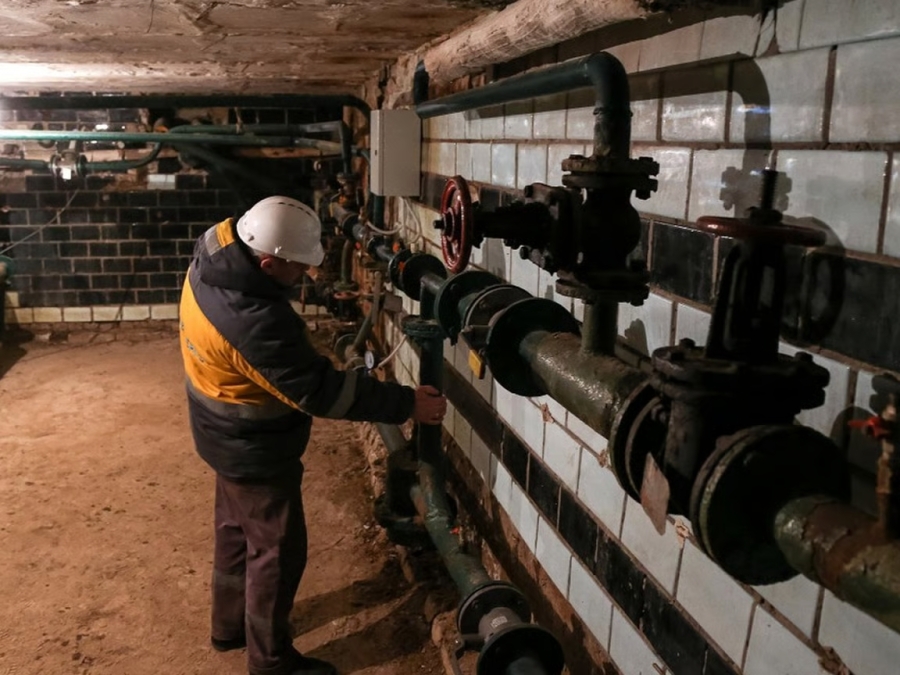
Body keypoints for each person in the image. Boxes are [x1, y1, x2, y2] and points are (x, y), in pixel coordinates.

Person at [179, 195, 447, 675]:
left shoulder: (215, 249)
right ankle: (271, 661)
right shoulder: (258, 324)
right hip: (253, 447)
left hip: (216, 428)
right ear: (267, 262)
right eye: (298, 266)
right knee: (277, 551)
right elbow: (323, 393)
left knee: (235, 530)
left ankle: (228, 627)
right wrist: (407, 403)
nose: (305, 274)